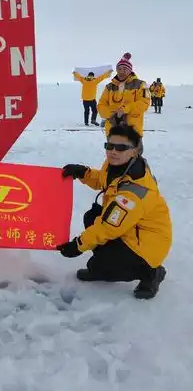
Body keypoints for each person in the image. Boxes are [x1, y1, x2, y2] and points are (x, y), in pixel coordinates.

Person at [57, 124, 172, 299]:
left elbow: (108, 227)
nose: (113, 151)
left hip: (147, 245)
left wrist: (78, 245)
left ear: (135, 151)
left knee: (99, 265)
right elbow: (102, 180)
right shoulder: (117, 165)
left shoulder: (135, 190)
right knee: (92, 217)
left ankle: (151, 272)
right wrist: (82, 172)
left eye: (121, 147)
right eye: (109, 146)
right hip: (129, 229)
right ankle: (105, 262)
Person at [98, 53, 150, 141]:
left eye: (125, 69)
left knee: (133, 154)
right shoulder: (109, 87)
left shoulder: (142, 85)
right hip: (112, 132)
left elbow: (145, 103)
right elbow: (101, 106)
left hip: (133, 132)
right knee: (113, 154)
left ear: (130, 70)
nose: (121, 71)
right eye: (119, 69)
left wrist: (125, 109)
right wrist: (114, 113)